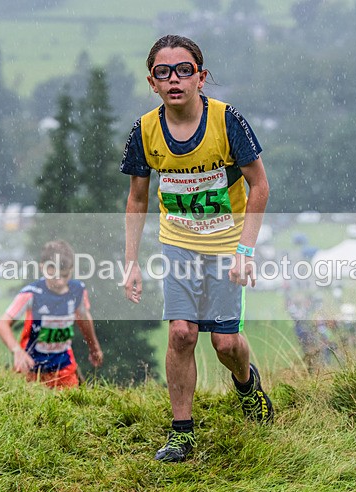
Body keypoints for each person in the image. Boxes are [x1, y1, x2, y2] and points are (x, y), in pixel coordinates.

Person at [120, 35, 273, 462]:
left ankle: (247, 385)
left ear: (200, 78)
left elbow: (260, 186)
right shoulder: (145, 130)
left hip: (226, 244)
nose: (175, 79)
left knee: (225, 344)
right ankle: (181, 433)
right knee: (182, 334)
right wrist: (130, 262)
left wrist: (245, 251)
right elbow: (137, 198)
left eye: (184, 70)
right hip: (178, 246)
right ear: (152, 82)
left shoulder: (227, 121)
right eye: (163, 72)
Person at [0, 240, 103, 389]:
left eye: (65, 275)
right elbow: (2, 324)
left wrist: (94, 347)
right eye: (55, 276)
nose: (60, 282)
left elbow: (84, 318)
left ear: (71, 269)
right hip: (31, 368)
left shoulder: (78, 290)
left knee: (72, 401)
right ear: (43, 268)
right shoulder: (31, 294)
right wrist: (17, 351)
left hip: (64, 367)